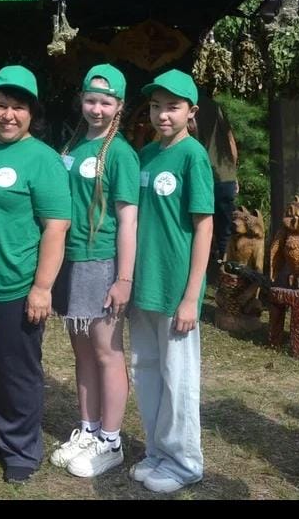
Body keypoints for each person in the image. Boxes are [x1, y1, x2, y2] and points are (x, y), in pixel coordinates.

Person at [0, 65, 71, 483]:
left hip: (16, 284)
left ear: (31, 113)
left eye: (18, 107)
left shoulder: (43, 159)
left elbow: (56, 227)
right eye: (1, 105)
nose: (8, 115)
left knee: (18, 371)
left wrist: (42, 288)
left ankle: (21, 448)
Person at [50, 64, 139, 478]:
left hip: (101, 262)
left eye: (106, 102)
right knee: (82, 352)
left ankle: (111, 440)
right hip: (69, 261)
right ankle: (88, 429)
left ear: (119, 106)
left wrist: (123, 279)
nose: (97, 109)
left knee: (107, 352)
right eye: (90, 100)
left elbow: (128, 221)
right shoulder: (72, 145)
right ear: (81, 100)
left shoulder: (120, 153)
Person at [129, 69, 213, 494]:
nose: (163, 114)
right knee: (146, 370)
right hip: (143, 286)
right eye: (156, 106)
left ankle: (185, 462)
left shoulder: (193, 156)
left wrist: (191, 296)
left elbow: (204, 226)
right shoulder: (145, 155)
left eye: (173, 107)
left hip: (175, 288)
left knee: (177, 376)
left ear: (191, 111)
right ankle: (158, 451)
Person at [194, 90, 239, 264]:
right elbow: (230, 140)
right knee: (226, 230)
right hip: (225, 174)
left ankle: (207, 266)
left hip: (202, 175)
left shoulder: (186, 107)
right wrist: (234, 172)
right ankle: (227, 267)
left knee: (200, 225)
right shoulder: (215, 107)